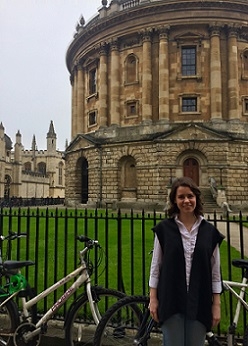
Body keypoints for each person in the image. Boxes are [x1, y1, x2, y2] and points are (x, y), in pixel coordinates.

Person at [149, 177, 224, 346]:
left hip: (200, 301)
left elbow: (215, 272)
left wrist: (216, 304)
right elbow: (156, 266)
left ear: (196, 198)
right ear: (175, 201)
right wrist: (153, 298)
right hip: (171, 298)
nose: (186, 201)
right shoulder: (164, 229)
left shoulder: (209, 232)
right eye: (181, 197)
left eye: (190, 196)